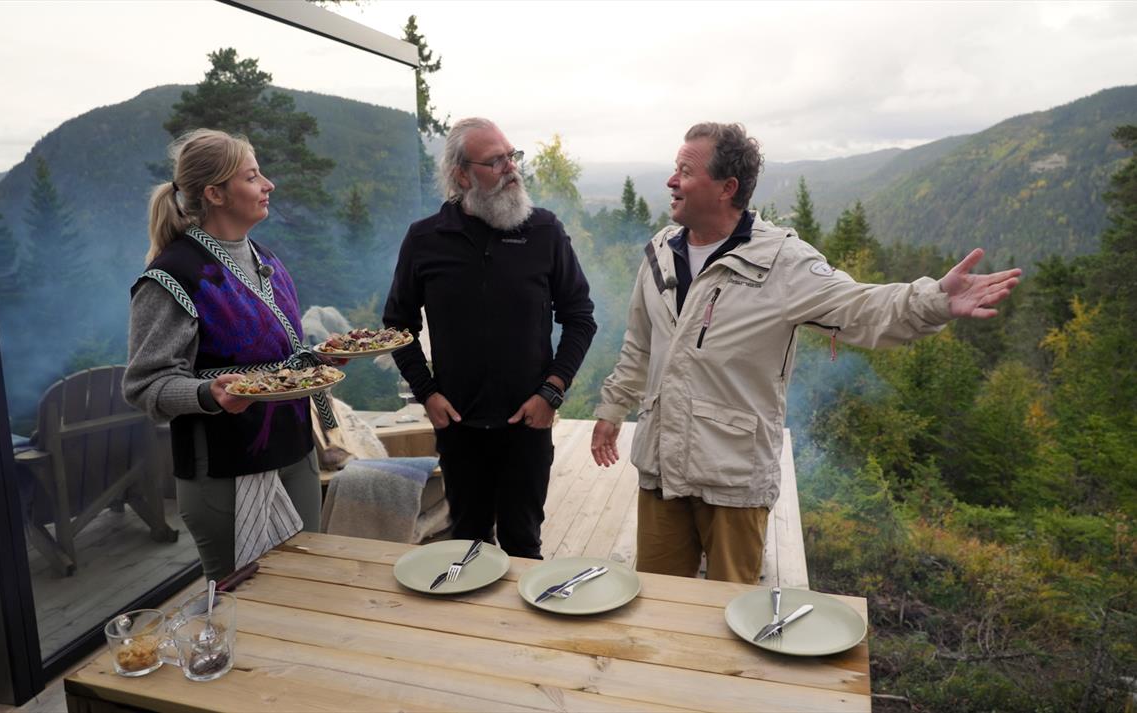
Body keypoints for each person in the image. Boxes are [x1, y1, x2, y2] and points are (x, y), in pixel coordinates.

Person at [590, 122, 1021, 583]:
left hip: (732, 477)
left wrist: (934, 299)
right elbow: (640, 341)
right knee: (658, 602)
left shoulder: (782, 263)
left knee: (728, 614)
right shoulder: (660, 250)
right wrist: (613, 408)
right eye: (674, 169)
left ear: (726, 188)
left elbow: (861, 307)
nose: (671, 181)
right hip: (660, 470)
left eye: (685, 171)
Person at [124, 128, 336, 582]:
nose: (268, 185)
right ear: (215, 193)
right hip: (224, 474)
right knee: (247, 611)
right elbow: (144, 385)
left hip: (296, 455)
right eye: (253, 177)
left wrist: (319, 360)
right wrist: (206, 393)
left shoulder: (267, 260)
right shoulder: (173, 276)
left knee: (309, 594)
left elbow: (279, 358)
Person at [383, 117, 597, 558]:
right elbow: (398, 326)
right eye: (495, 161)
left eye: (512, 156)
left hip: (527, 424)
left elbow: (580, 317)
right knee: (467, 546)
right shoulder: (425, 239)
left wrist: (552, 391)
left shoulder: (544, 231)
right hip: (459, 428)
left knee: (523, 546)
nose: (511, 168)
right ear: (462, 175)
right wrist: (427, 394)